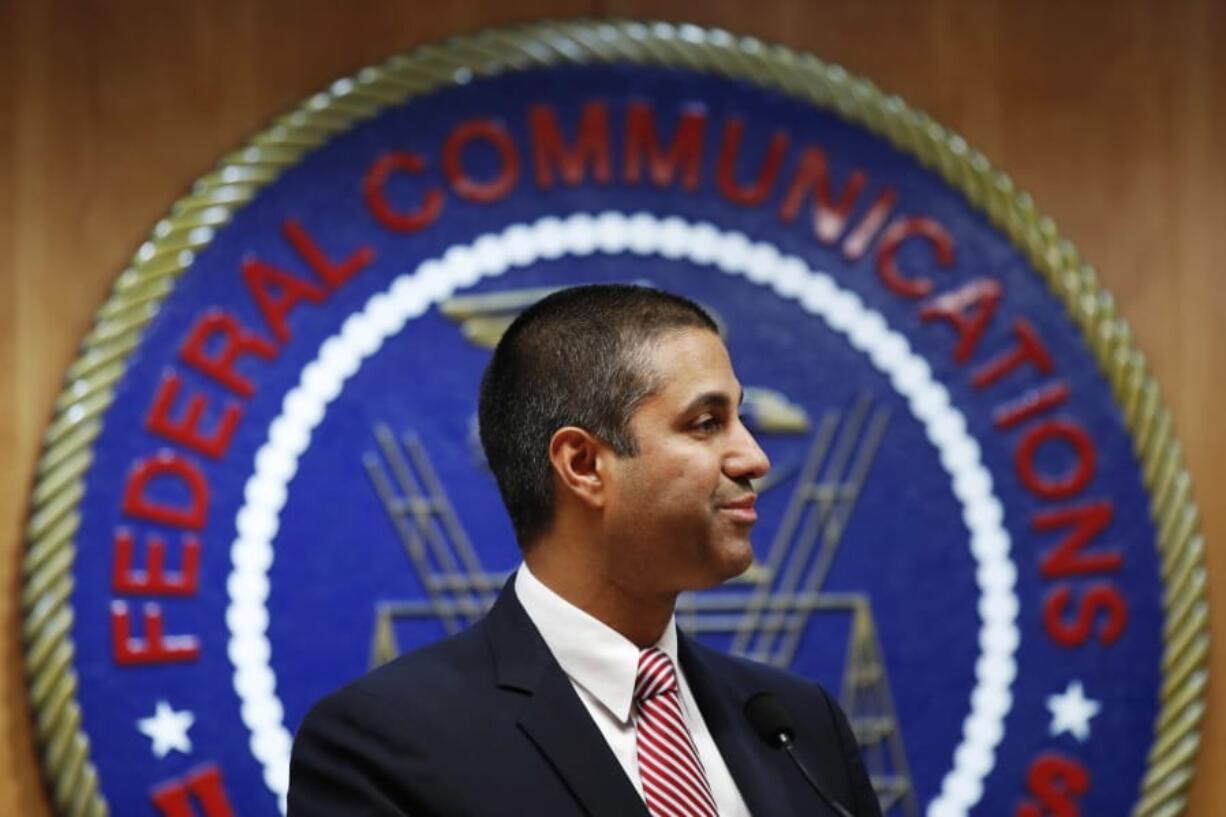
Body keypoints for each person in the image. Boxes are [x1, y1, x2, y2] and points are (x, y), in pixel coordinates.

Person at [288, 284, 881, 816]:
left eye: (741, 418)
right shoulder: (381, 744)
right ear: (583, 465)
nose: (754, 458)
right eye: (706, 423)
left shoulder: (799, 722)